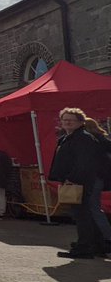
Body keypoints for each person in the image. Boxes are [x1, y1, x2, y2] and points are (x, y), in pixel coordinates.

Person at [49, 108, 111, 259]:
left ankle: (85, 247)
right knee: (85, 213)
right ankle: (95, 245)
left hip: (82, 182)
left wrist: (72, 178)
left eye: (71, 119)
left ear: (80, 122)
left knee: (83, 214)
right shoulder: (68, 137)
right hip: (76, 180)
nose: (67, 122)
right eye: (65, 120)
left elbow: (84, 162)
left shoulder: (83, 138)